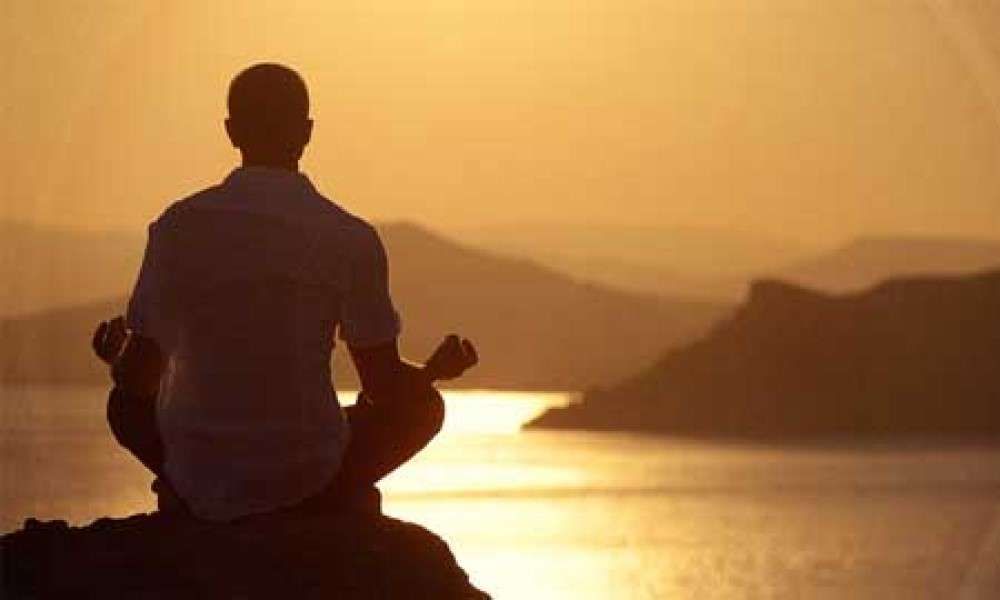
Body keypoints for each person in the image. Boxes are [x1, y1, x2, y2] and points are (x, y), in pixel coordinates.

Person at [89, 63, 478, 521]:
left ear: (232, 131)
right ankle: (328, 503)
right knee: (424, 408)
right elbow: (383, 385)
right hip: (309, 473)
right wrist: (433, 372)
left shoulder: (177, 228)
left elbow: (138, 378)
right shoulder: (348, 238)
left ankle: (192, 496)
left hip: (199, 469)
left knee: (123, 404)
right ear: (307, 132)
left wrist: (117, 357)